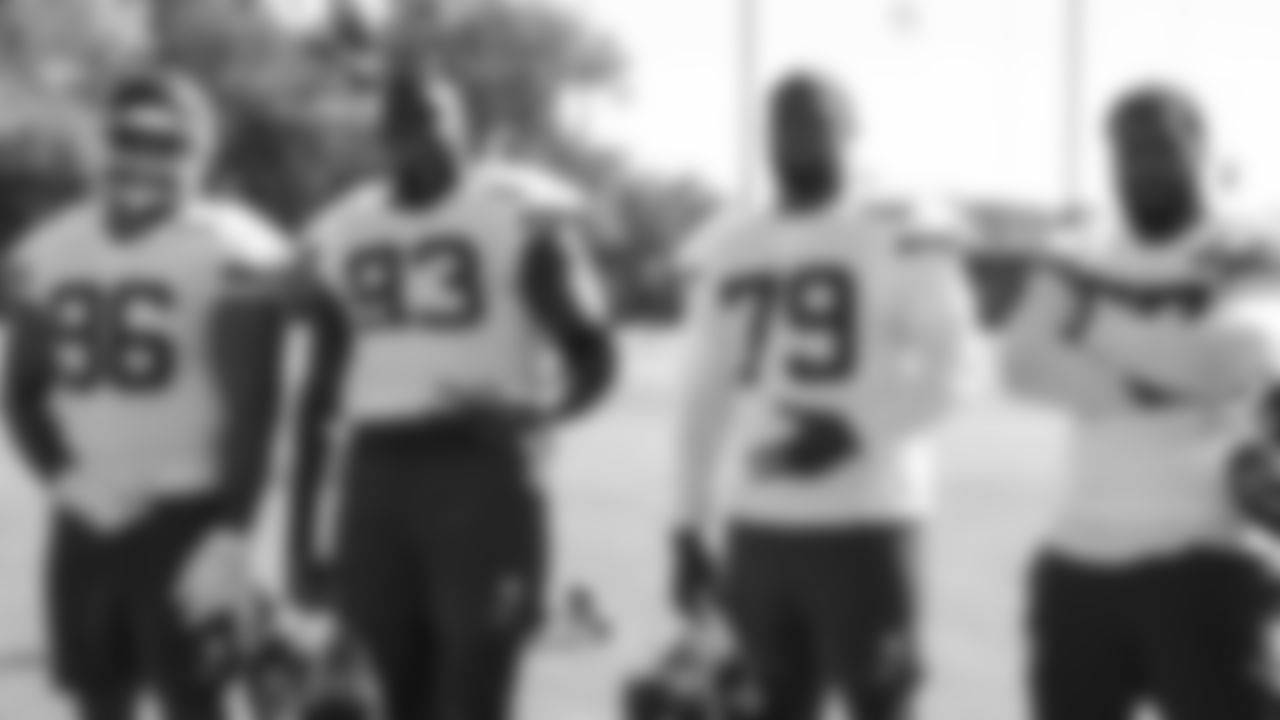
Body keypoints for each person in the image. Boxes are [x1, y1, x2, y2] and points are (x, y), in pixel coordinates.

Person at [287, 68, 618, 720]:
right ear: (381, 139)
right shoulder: (346, 228)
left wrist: (540, 413)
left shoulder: (516, 216)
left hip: (480, 471)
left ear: (463, 128)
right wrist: (300, 541)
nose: (417, 142)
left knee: (475, 686)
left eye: (432, 122)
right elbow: (317, 398)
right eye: (400, 127)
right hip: (375, 474)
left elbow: (597, 354)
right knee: (387, 691)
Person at [672, 70, 978, 720]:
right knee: (755, 708)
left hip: (866, 525)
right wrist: (688, 526)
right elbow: (702, 399)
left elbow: (956, 371)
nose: (796, 139)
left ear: (851, 130)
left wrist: (853, 433)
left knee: (881, 706)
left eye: (814, 122)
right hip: (756, 529)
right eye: (782, 123)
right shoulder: (728, 244)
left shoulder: (899, 230)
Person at [1, 69, 292, 720]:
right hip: (88, 521)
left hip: (187, 514)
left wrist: (232, 536)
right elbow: (21, 392)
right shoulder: (48, 251)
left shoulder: (233, 247)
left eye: (163, 140)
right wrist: (68, 480)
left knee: (198, 702)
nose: (138, 155)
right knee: (98, 700)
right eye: (125, 136)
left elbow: (257, 408)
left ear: (200, 151)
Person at [1002, 82, 1280, 720]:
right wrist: (1149, 378)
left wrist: (1090, 324)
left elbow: (1229, 358)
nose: (1144, 167)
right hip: (1078, 563)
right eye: (1128, 152)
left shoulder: (1250, 243)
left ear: (1202, 148)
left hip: (1207, 560)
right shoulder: (1080, 250)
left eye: (1161, 148)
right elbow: (1020, 367)